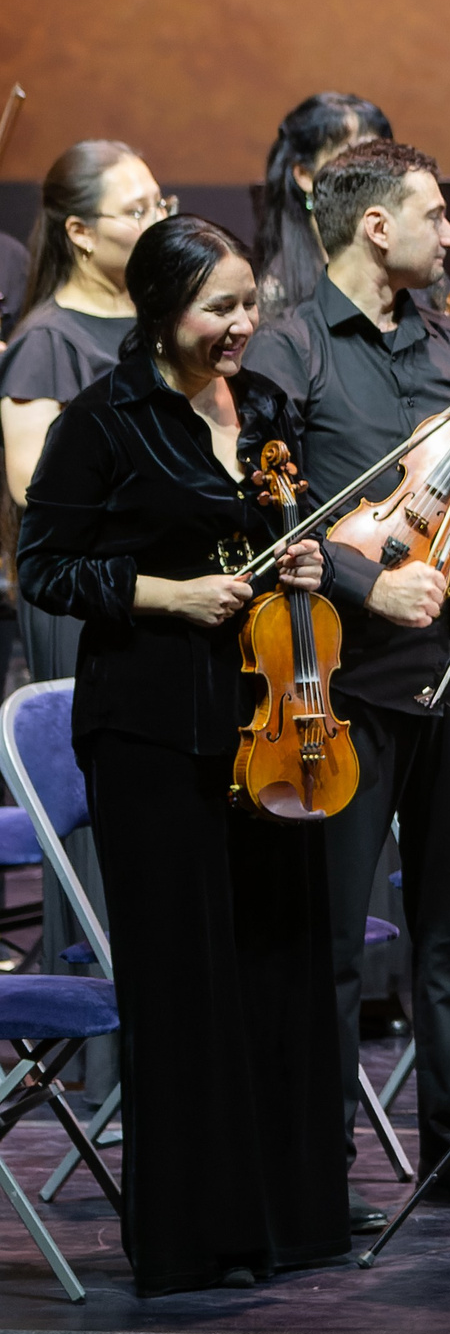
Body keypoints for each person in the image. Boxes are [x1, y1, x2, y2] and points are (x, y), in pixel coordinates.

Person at [17, 214, 345, 1296]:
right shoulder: (104, 422)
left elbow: (278, 536)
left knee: (275, 972)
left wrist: (300, 558)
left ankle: (288, 1219)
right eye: (220, 308)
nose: (242, 325)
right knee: (188, 983)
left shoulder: (263, 412)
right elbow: (47, 569)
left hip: (271, 724)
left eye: (250, 304)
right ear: (163, 313)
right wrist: (165, 594)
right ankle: (198, 1236)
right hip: (152, 730)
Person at [243, 139, 450, 1220]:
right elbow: (269, 521)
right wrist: (372, 589)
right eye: (433, 215)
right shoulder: (288, 356)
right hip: (341, 687)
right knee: (329, 943)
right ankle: (317, 1164)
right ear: (376, 226)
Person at [1, 141, 170, 1010]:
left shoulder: (158, 323)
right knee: (101, 799)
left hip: (161, 591)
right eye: (134, 210)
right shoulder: (44, 341)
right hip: (88, 596)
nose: (155, 222)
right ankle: (108, 1029)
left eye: (158, 204)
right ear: (77, 231)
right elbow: (34, 484)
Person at [253, 93, 394, 315]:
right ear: (305, 176)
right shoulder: (277, 287)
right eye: (353, 157)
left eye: (379, 157)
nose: (372, 172)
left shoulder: (405, 258)